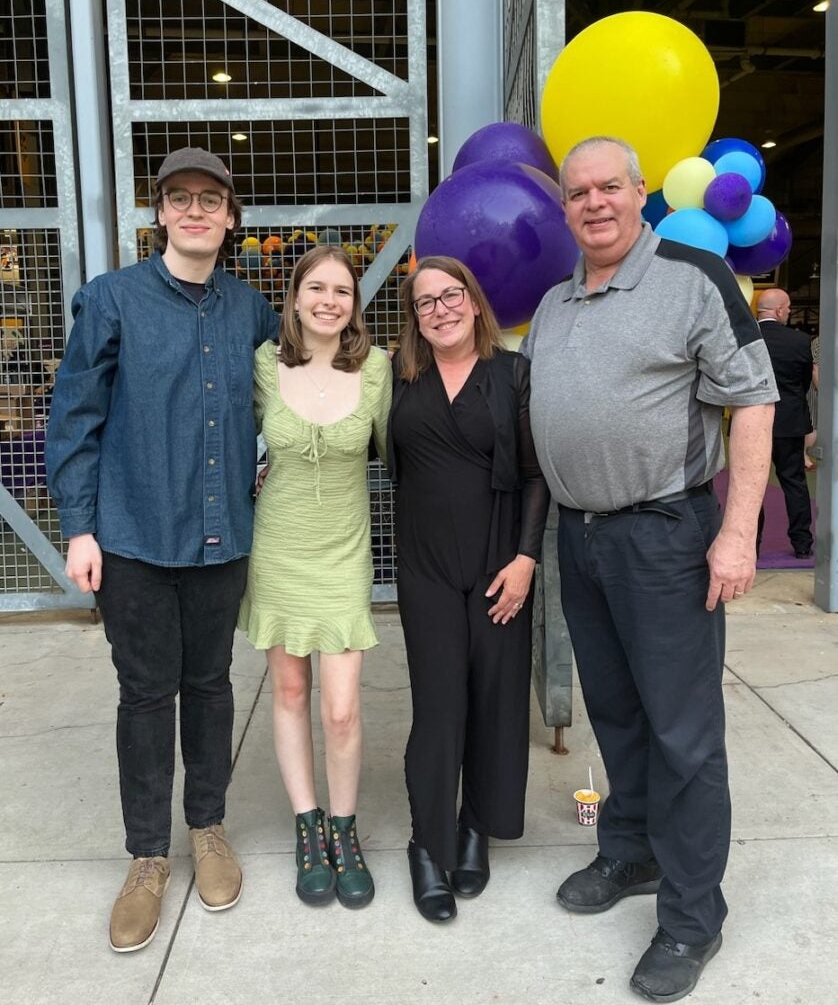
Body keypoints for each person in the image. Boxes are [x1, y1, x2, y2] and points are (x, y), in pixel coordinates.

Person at [522, 137, 777, 1003]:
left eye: (610, 187)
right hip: (580, 540)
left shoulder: (692, 278)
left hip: (666, 537)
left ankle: (692, 918)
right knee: (618, 715)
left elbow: (753, 400)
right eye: (578, 192)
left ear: (641, 194)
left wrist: (737, 534)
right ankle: (627, 849)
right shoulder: (555, 303)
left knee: (684, 735)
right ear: (565, 207)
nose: (594, 202)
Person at [46, 147, 277, 952]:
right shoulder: (110, 302)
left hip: (222, 541)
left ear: (230, 219)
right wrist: (80, 527)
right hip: (135, 536)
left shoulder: (251, 310)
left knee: (209, 685)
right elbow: (74, 417)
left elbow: (290, 392)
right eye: (179, 198)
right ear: (159, 215)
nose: (194, 211)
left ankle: (206, 828)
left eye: (210, 200)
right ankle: (148, 856)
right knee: (146, 694)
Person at [388, 255, 549, 923]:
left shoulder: (511, 375)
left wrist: (526, 559)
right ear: (414, 320)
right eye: (426, 303)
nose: (441, 309)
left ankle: (475, 826)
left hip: (498, 567)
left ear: (475, 303)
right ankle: (428, 843)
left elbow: (538, 473)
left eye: (451, 296)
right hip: (425, 568)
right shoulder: (398, 380)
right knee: (439, 706)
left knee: (493, 701)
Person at [237, 245, 391, 910]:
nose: (329, 301)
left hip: (343, 554)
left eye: (343, 291)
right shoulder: (265, 368)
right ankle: (308, 825)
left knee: (342, 705)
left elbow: (415, 449)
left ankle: (345, 826)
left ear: (355, 305)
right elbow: (220, 442)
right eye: (317, 288)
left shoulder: (378, 368)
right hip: (278, 550)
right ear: (295, 297)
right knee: (292, 692)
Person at [755, 289, 814, 558]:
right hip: (789, 422)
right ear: (779, 310)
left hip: (752, 423)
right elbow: (803, 385)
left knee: (750, 486)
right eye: (788, 308)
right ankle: (802, 544)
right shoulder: (800, 341)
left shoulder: (743, 337)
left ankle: (751, 544)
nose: (790, 312)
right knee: (794, 483)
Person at [804, 334, 820, 470]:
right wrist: (820, 389)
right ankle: (804, 457)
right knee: (814, 424)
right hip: (816, 388)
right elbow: (815, 370)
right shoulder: (820, 342)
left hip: (827, 387)